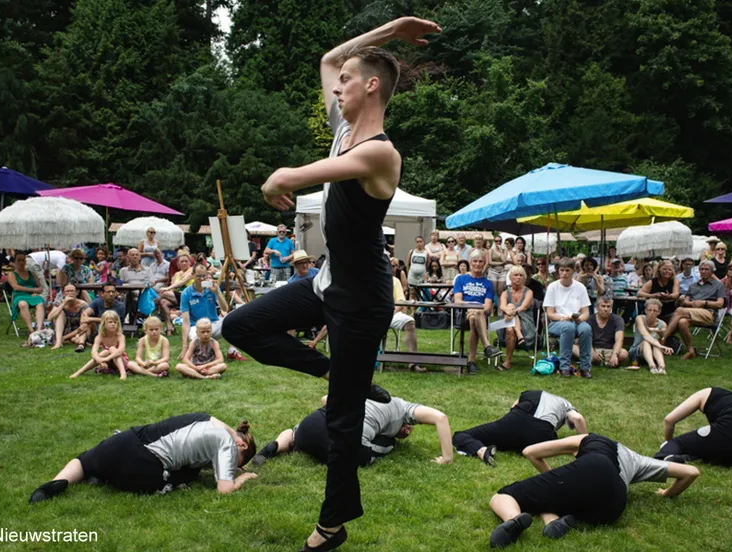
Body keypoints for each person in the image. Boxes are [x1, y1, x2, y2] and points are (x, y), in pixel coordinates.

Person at [221, 17, 441, 551]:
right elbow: (326, 59)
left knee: (341, 424)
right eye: (339, 80)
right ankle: (343, 374)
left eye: (348, 79)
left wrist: (281, 174)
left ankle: (332, 524)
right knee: (240, 325)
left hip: (362, 299)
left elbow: (295, 178)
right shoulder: (345, 130)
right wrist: (391, 31)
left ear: (370, 87)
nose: (336, 85)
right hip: (327, 282)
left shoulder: (381, 153)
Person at [488, 434, 700, 547]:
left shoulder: (588, 438)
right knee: (551, 498)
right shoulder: (639, 459)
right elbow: (691, 472)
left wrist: (549, 475)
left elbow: (530, 452)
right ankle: (553, 523)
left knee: (504, 494)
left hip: (594, 466)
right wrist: (666, 493)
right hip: (615, 503)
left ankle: (511, 519)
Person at [28, 414, 257, 503]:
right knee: (190, 475)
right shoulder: (227, 443)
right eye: (235, 462)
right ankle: (105, 477)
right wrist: (244, 477)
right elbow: (224, 490)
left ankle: (58, 482)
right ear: (241, 444)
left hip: (124, 441)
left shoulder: (201, 422)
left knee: (84, 459)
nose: (228, 466)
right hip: (144, 468)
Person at [252, 395, 453, 467]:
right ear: (409, 421)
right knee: (389, 445)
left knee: (294, 432)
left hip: (310, 426)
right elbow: (441, 418)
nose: (407, 432)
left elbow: (325, 399)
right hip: (340, 446)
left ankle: (276, 447)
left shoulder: (371, 395)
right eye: (408, 429)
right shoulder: (405, 409)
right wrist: (446, 458)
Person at [452, 390, 586, 466]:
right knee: (550, 439)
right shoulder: (567, 405)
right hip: (539, 436)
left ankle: (481, 451)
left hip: (510, 423)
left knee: (460, 435)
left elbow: (513, 407)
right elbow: (578, 418)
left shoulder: (530, 393)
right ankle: (517, 446)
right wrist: (584, 445)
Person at [655, 388, 732, 468]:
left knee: (674, 444)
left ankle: (662, 458)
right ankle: (685, 458)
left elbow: (669, 420)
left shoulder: (704, 394)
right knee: (709, 444)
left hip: (731, 439)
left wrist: (668, 441)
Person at [662, 261, 725, 360]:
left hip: (709, 313)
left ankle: (663, 340)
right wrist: (692, 304)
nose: (703, 271)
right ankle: (690, 351)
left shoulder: (718, 285)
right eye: (701, 269)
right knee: (682, 322)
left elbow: (720, 304)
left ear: (712, 271)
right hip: (693, 312)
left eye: (706, 269)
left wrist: (704, 303)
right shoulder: (694, 285)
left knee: (679, 310)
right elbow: (685, 302)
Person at [544, 257, 593, 378]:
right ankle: (564, 366)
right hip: (557, 322)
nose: (564, 273)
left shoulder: (580, 287)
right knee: (568, 327)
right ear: (558, 271)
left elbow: (586, 312)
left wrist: (580, 319)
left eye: (567, 270)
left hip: (576, 321)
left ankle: (585, 367)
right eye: (562, 270)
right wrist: (562, 318)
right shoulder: (552, 287)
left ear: (573, 271)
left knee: (586, 329)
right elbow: (549, 313)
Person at [454, 251, 500, 375]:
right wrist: (473, 307)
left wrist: (476, 310)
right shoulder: (461, 279)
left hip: (479, 316)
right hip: (463, 315)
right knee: (476, 313)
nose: (477, 264)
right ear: (470, 262)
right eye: (475, 261)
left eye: (480, 261)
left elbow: (488, 307)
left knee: (476, 316)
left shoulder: (487, 284)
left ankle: (471, 362)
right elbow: (458, 301)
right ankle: (487, 347)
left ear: (484, 264)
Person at [180, 264, 233, 356]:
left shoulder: (212, 288)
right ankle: (204, 353)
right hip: (196, 327)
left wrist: (217, 293)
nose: (201, 279)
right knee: (194, 337)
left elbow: (225, 308)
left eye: (204, 276)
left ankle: (232, 351)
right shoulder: (186, 293)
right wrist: (184, 347)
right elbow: (185, 321)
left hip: (213, 325)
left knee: (232, 319)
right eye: (198, 276)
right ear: (192, 275)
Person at [70, 310, 129, 379]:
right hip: (108, 363)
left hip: (121, 362)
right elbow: (94, 351)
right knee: (105, 352)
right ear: (104, 324)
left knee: (112, 349)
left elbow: (121, 350)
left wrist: (107, 358)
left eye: (115, 322)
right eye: (110, 322)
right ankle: (79, 372)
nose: (113, 324)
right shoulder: (99, 337)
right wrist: (99, 360)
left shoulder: (120, 336)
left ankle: (123, 373)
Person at [495, 266, 534, 371]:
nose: (518, 277)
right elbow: (502, 306)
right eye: (516, 275)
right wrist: (509, 310)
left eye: (521, 275)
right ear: (510, 277)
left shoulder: (529, 292)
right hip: (506, 321)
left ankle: (507, 361)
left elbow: (524, 307)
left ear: (524, 278)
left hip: (524, 323)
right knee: (509, 308)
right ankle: (518, 335)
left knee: (511, 310)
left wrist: (512, 312)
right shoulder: (505, 293)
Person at [573, 295, 627, 368]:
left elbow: (619, 340)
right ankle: (603, 361)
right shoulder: (590, 319)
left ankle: (598, 360)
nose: (606, 309)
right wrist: (592, 352)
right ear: (597, 307)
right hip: (593, 348)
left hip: (610, 349)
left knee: (624, 353)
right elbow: (586, 339)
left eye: (608, 307)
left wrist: (615, 354)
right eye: (603, 306)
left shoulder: (618, 319)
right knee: (573, 347)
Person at [389, 274, 425, 372]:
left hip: (391, 313)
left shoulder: (394, 281)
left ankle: (413, 361)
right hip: (370, 314)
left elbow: (400, 301)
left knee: (410, 321)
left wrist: (390, 314)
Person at [8, 251, 46, 340]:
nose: (21, 262)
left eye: (23, 260)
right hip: (19, 295)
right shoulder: (12, 274)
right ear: (15, 262)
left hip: (33, 296)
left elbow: (39, 287)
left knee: (40, 304)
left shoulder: (32, 273)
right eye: (19, 260)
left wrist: (36, 292)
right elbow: (15, 287)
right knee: (23, 304)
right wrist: (33, 290)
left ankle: (39, 329)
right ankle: (31, 330)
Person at [629, 298, 673, 374]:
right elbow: (645, 334)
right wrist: (660, 346)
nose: (652, 313)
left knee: (655, 342)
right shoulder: (640, 318)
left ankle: (662, 366)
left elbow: (662, 341)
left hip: (654, 352)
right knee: (647, 341)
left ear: (659, 312)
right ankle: (652, 366)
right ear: (645, 310)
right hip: (636, 351)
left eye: (655, 311)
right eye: (649, 310)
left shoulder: (662, 324)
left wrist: (660, 334)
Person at [48, 284, 89, 351]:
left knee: (83, 329)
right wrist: (63, 304)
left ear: (76, 293)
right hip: (62, 329)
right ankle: (58, 342)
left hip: (77, 332)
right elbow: (50, 318)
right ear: (63, 294)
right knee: (60, 313)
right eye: (67, 291)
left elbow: (83, 326)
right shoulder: (60, 302)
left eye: (72, 291)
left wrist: (64, 338)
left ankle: (64, 339)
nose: (70, 293)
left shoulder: (82, 305)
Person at [487, 234, 509, 299]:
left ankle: (500, 308)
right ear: (494, 242)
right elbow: (490, 262)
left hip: (502, 272)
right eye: (496, 241)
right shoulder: (490, 250)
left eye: (500, 241)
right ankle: (492, 307)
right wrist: (501, 263)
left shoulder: (504, 250)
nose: (498, 242)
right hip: (493, 271)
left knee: (500, 292)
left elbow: (504, 260)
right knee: (493, 291)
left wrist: (500, 252)